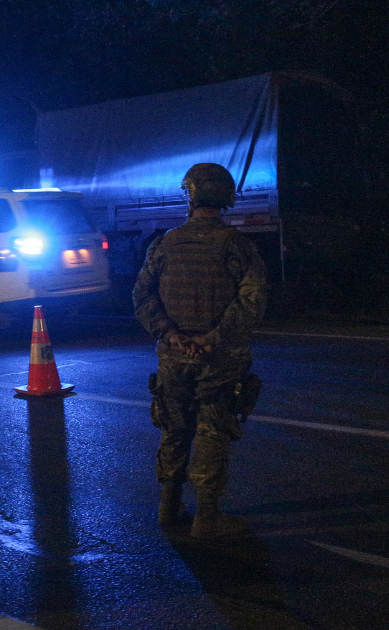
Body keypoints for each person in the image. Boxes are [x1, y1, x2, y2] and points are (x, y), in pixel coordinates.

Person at [133, 163, 268, 540]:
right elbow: (253, 300)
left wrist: (172, 335)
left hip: (173, 357)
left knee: (174, 427)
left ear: (188, 194)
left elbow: (142, 297)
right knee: (212, 430)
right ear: (226, 196)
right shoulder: (237, 246)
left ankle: (168, 505)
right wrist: (213, 337)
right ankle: (206, 517)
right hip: (218, 359)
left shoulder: (164, 243)